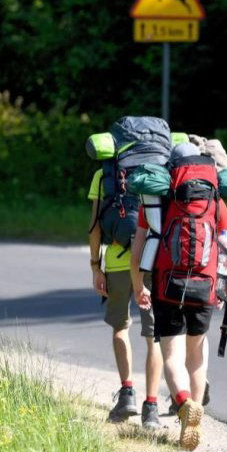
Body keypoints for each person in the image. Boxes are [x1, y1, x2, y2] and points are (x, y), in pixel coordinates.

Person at [129, 194, 227, 451]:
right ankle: (192, 426)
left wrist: (138, 287)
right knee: (197, 358)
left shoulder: (156, 201)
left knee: (171, 358)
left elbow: (137, 253)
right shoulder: (216, 203)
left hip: (168, 287)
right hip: (205, 289)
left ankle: (184, 402)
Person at [88, 168, 162, 430]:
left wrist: (95, 266)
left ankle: (127, 393)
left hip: (117, 262)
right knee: (154, 336)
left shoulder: (104, 173)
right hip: (151, 260)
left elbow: (95, 226)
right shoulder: (156, 168)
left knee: (121, 327)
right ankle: (151, 407)